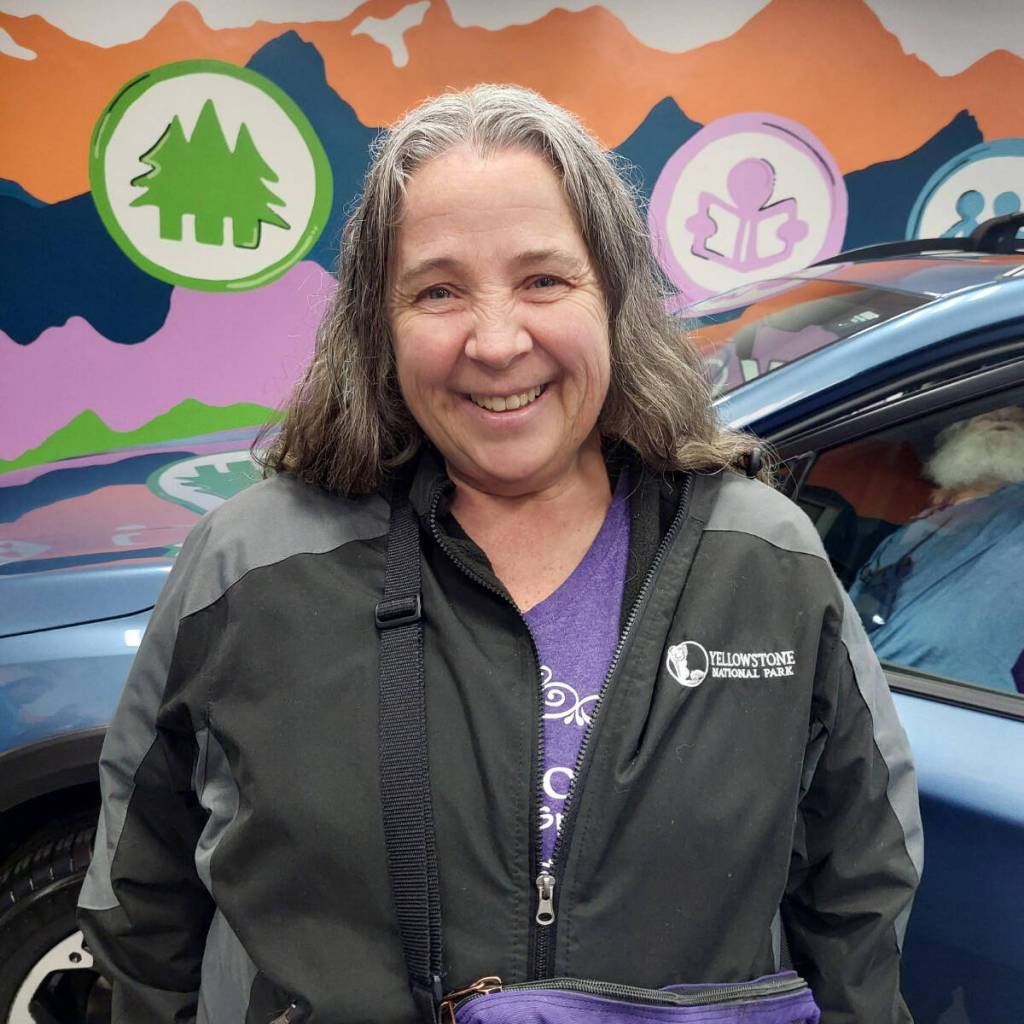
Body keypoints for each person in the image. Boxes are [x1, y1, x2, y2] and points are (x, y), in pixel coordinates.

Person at [79, 85, 922, 1023]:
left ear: (615, 298)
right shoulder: (251, 564)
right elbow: (141, 896)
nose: (496, 341)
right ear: (377, 323)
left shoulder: (764, 559)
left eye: (543, 281)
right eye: (438, 291)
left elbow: (860, 889)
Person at [851, 405, 1024, 692]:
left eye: (1021, 413)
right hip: (863, 696)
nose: (1002, 415)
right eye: (986, 408)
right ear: (950, 438)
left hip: (960, 713)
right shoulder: (905, 536)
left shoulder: (1016, 520)